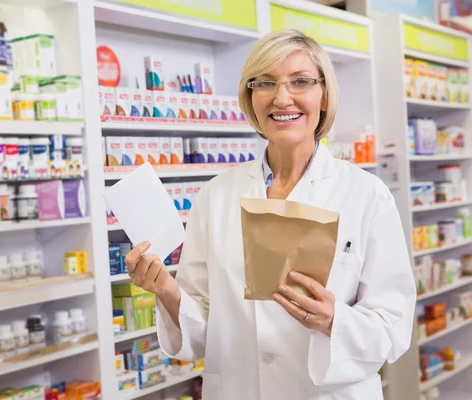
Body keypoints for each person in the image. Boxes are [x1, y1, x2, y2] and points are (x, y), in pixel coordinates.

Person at [125, 30, 416, 400]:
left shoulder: (367, 195)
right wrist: (166, 288)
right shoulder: (215, 196)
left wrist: (335, 320)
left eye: (300, 81)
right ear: (251, 97)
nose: (282, 97)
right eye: (265, 82)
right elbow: (202, 328)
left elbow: (392, 327)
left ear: (323, 95)